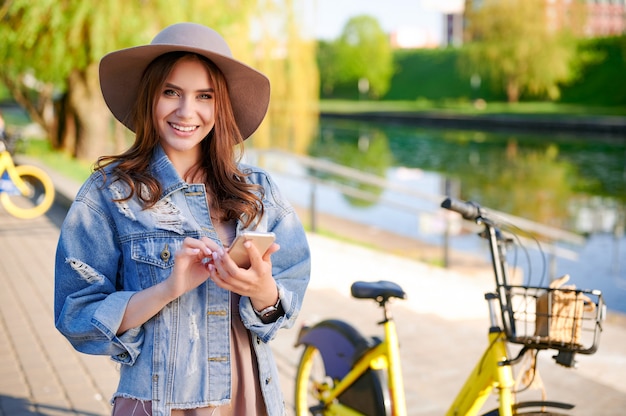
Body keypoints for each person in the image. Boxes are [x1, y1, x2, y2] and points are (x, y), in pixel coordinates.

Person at [54, 22, 311, 416]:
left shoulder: (258, 191)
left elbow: (284, 300)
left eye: (203, 96)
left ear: (219, 105)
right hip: (160, 403)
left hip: (251, 399)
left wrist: (262, 291)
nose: (186, 111)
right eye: (171, 92)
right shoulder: (110, 193)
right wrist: (166, 290)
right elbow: (76, 314)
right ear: (149, 98)